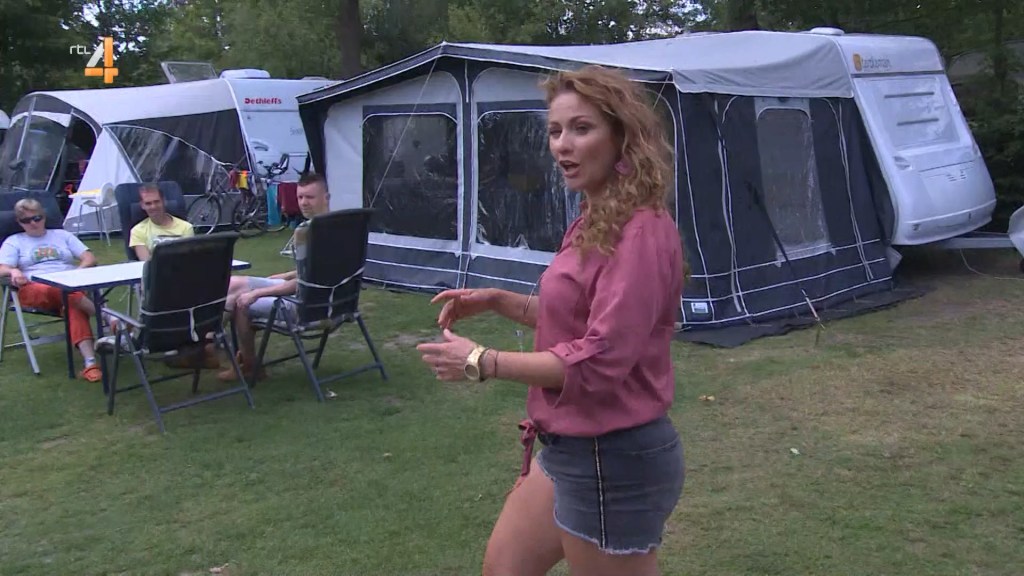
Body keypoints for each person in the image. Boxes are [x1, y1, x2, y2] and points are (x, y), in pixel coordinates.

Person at [417, 65, 686, 576]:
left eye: (582, 128)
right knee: (504, 568)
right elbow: (580, 319)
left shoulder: (640, 232)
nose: (563, 145)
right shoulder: (596, 217)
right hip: (570, 446)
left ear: (622, 136)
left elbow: (599, 359)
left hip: (612, 456)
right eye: (555, 131)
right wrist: (498, 300)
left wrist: (481, 360)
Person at [218, 171, 331, 381]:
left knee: (240, 302)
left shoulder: (307, 232)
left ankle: (246, 363)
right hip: (335, 301)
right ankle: (210, 342)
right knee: (233, 283)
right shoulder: (341, 226)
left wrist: (258, 293)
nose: (304, 203)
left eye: (310, 197)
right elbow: (321, 271)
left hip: (307, 308)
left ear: (326, 197)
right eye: (300, 197)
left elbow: (304, 283)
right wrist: (286, 275)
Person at [0, 198, 103, 382]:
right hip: (33, 288)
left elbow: (89, 258)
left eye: (36, 218)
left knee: (73, 305)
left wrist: (77, 273)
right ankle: (108, 317)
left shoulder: (62, 235)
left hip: (70, 285)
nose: (33, 223)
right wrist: (13, 271)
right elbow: (2, 268)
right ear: (19, 222)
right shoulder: (14, 241)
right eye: (26, 220)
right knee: (66, 292)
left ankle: (90, 363)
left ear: (44, 216)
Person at [128, 183, 194, 261]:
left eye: (156, 202)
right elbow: (146, 262)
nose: (153, 207)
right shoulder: (137, 231)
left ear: (163, 201)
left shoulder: (186, 227)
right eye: (148, 203)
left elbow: (187, 259)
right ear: (142, 205)